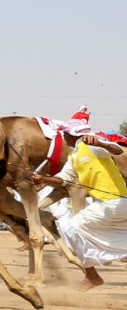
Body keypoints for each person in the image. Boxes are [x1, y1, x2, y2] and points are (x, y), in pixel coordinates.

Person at [33, 121, 127, 289]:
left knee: (70, 226)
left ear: (71, 134)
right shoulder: (74, 157)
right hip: (109, 207)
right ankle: (92, 274)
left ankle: (92, 275)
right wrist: (43, 180)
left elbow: (117, 149)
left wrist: (100, 143)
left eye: (64, 134)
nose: (62, 137)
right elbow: (63, 180)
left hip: (115, 203)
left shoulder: (90, 144)